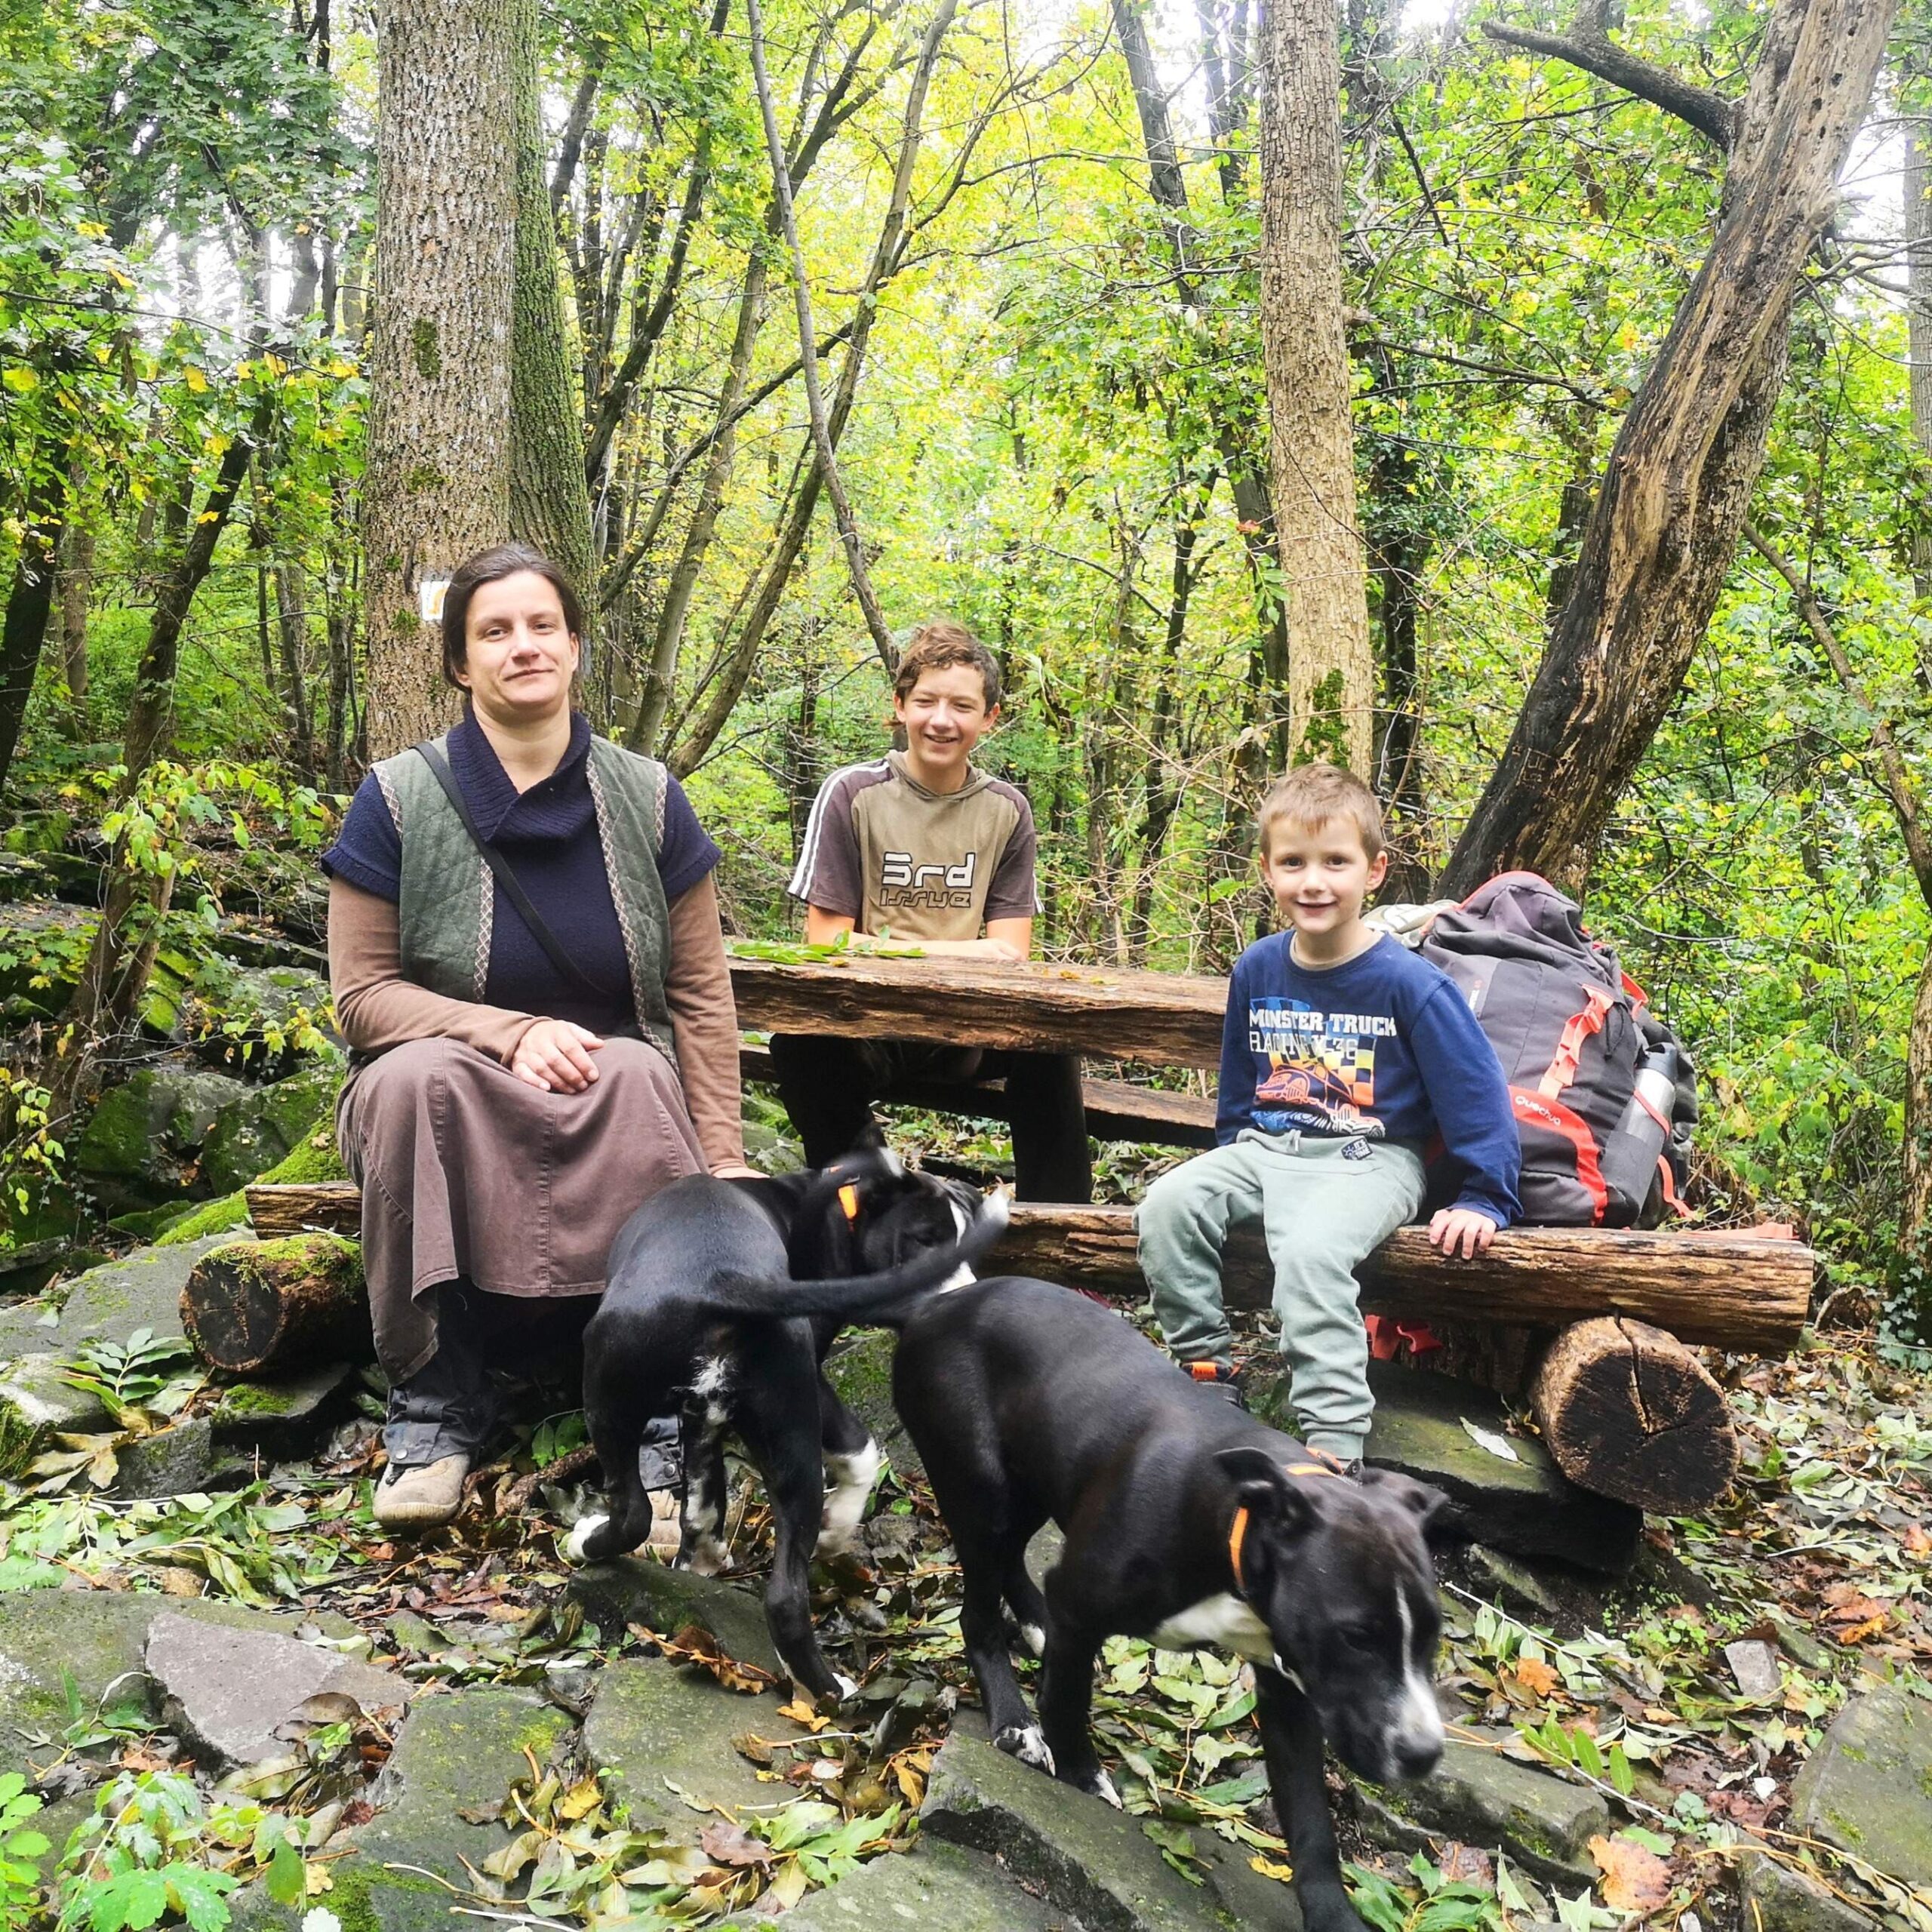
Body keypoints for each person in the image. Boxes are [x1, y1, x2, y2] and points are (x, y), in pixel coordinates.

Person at [323, 543, 755, 1532]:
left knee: (641, 1071)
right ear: (458, 662)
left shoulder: (647, 798)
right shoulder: (395, 799)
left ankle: (654, 1413)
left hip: (612, 1100)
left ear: (574, 645)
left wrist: (724, 1158)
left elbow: (699, 993)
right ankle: (435, 1408)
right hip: (452, 1094)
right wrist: (505, 1034)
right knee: (410, 1079)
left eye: (541, 626)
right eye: (495, 631)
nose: (523, 646)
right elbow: (362, 999)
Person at [1136, 763, 1520, 1466]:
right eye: (1294, 863)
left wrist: (1485, 1197)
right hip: (1267, 1148)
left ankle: (1335, 1444)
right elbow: (1240, 1077)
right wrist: (1231, 1164)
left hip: (1371, 1160)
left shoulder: (1410, 983)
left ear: (1374, 872)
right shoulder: (1258, 967)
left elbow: (1477, 1093)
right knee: (1167, 1205)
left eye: (1335, 862)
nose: (1314, 882)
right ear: (1267, 870)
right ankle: (1206, 1371)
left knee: (1310, 1255)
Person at [768, 621, 1092, 1202]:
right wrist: (962, 952)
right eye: (926, 702)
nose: (942, 720)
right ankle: (870, 1206)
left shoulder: (1006, 811)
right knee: (799, 1045)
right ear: (899, 707)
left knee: (1053, 1042)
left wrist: (894, 947)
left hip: (966, 1030)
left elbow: (1012, 955)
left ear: (989, 718)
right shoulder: (853, 794)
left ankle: (1063, 1230)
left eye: (962, 706)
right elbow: (826, 942)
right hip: (869, 1025)